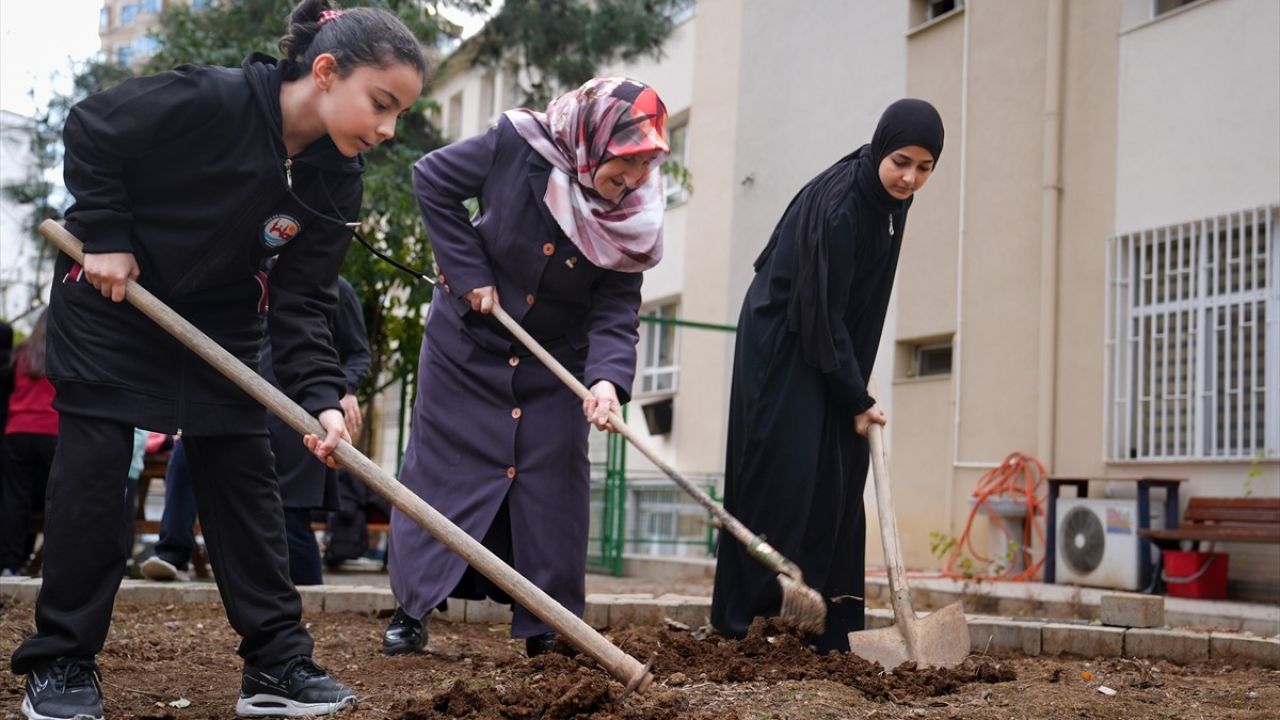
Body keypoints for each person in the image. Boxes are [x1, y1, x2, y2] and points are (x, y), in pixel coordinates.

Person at [10, 2, 426, 719]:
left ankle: (276, 666)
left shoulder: (335, 181)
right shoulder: (215, 99)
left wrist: (323, 396)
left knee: (247, 486)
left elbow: (302, 302)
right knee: (95, 483)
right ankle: (62, 664)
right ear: (325, 72)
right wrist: (106, 230)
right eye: (380, 105)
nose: (387, 130)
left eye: (398, 116)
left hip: (222, 331)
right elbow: (93, 126)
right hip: (115, 305)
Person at [385, 77, 669, 658]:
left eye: (644, 169)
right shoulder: (517, 143)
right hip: (467, 347)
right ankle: (410, 609)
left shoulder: (636, 217)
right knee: (442, 471)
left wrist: (607, 381)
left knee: (553, 479)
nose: (632, 184)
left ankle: (550, 623)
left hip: (553, 365)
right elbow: (432, 179)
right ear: (591, 143)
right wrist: (468, 274)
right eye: (623, 168)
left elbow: (616, 308)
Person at [710, 99, 944, 653]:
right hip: (783, 342)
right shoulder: (844, 207)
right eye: (901, 161)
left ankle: (828, 626)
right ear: (881, 147)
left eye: (924, 167)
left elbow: (857, 302)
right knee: (784, 474)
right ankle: (751, 623)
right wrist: (855, 393)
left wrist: (852, 387)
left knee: (838, 471)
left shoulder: (889, 200)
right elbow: (819, 310)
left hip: (824, 341)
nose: (910, 177)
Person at [263, 274, 371, 585]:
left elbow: (359, 353)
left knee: (289, 517)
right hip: (258, 412)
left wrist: (347, 390)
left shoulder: (337, 287)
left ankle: (311, 598)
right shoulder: (259, 276)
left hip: (305, 418)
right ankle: (172, 551)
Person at [0, 310, 57, 577]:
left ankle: (11, 564)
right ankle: (53, 562)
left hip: (17, 432)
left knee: (14, 500)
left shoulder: (21, 354)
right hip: (52, 431)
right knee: (55, 499)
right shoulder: (63, 353)